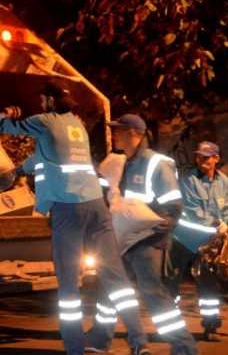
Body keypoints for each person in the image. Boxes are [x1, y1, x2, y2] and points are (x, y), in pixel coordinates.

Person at [0, 85, 151, 355]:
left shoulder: (44, 121)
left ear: (50, 100)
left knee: (68, 284)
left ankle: (75, 349)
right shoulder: (76, 126)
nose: (41, 103)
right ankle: (139, 343)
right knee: (115, 278)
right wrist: (17, 170)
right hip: (96, 207)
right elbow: (48, 155)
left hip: (69, 210)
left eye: (42, 99)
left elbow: (9, 127)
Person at [87, 114, 199, 355]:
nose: (114, 134)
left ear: (134, 134)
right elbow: (107, 197)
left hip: (147, 240)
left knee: (153, 293)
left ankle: (183, 347)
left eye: (118, 130)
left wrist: (155, 231)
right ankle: (99, 340)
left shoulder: (156, 163)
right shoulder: (118, 162)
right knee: (111, 289)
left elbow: (173, 206)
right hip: (122, 238)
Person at [168, 141, 228, 341]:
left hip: (209, 242)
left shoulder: (224, 181)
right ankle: (170, 327)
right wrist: (217, 223)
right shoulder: (188, 180)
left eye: (207, 157)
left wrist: (224, 225)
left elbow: (225, 208)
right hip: (184, 239)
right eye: (199, 157)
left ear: (216, 159)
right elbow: (193, 211)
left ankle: (211, 326)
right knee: (172, 283)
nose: (202, 160)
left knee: (209, 284)